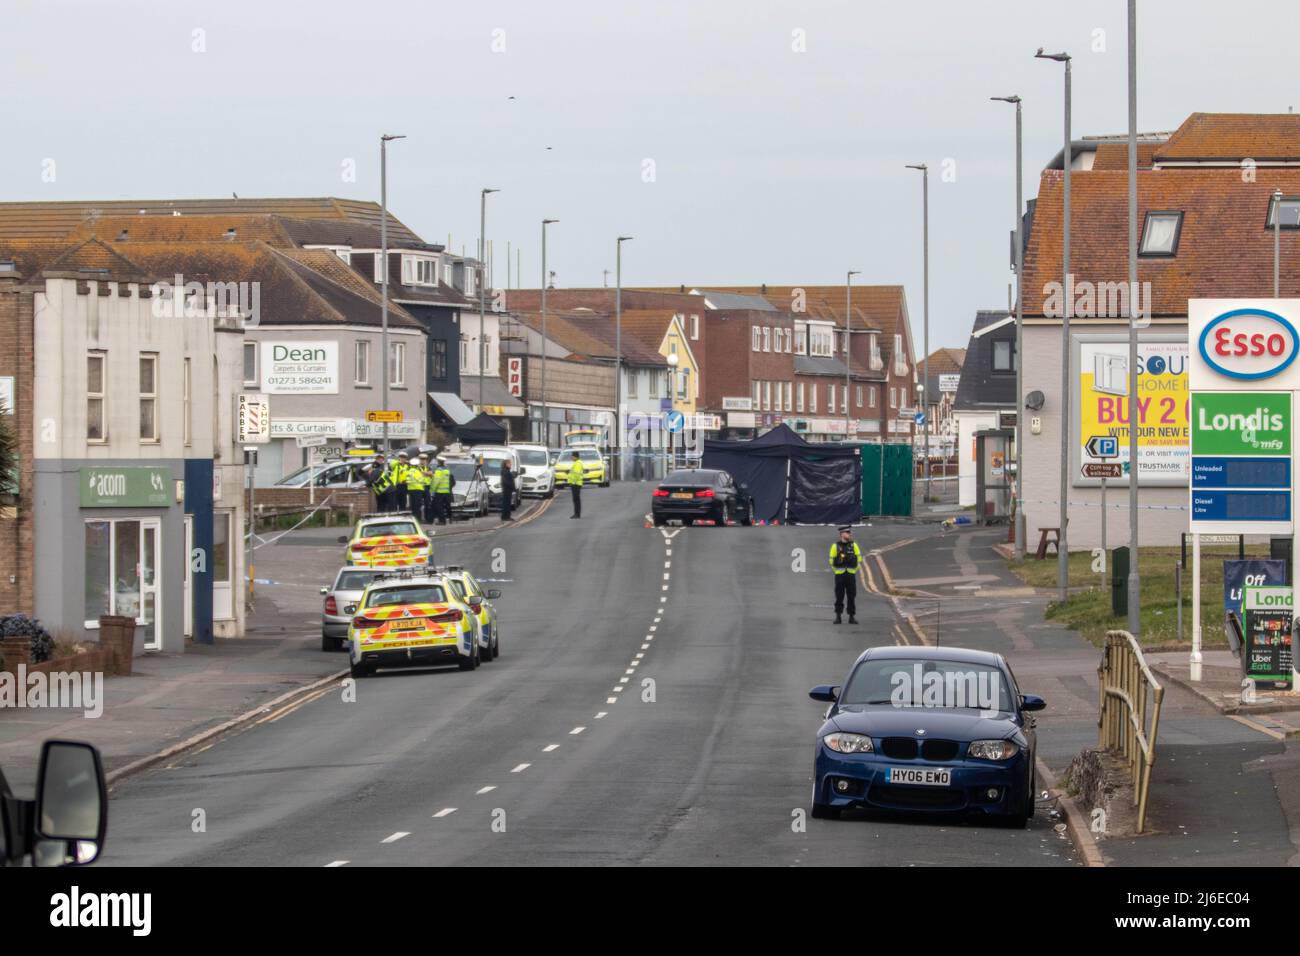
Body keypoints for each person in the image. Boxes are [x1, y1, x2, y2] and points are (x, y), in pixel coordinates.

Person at [829, 525, 862, 625]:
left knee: (851, 596)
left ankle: (851, 617)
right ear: (842, 534)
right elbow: (831, 560)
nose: (849, 534)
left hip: (851, 575)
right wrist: (836, 570)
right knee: (839, 596)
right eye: (847, 532)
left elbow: (859, 559)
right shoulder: (835, 546)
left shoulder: (854, 545)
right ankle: (838, 616)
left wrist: (854, 570)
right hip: (840, 575)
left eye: (849, 532)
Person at [406, 453, 430, 524]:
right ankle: (418, 519)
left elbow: (432, 474)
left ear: (426, 460)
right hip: (419, 488)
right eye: (421, 459)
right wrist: (425, 474)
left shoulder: (428, 467)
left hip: (425, 487)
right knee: (416, 505)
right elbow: (420, 478)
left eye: (424, 459)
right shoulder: (417, 469)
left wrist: (427, 473)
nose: (423, 461)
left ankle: (426, 519)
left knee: (426, 504)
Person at [431, 456, 454, 525]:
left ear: (438, 462)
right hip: (446, 491)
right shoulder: (447, 470)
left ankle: (442, 521)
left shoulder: (438, 471)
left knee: (439, 506)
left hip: (439, 491)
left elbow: (436, 482)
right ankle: (450, 518)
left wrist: (432, 491)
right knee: (447, 506)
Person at [567, 450, 584, 519]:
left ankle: (577, 514)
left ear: (575, 457)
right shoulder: (577, 463)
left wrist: (573, 482)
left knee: (576, 500)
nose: (571, 457)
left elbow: (576, 474)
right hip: (576, 483)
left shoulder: (577, 464)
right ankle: (577, 514)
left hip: (576, 484)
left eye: (572, 456)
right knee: (576, 499)